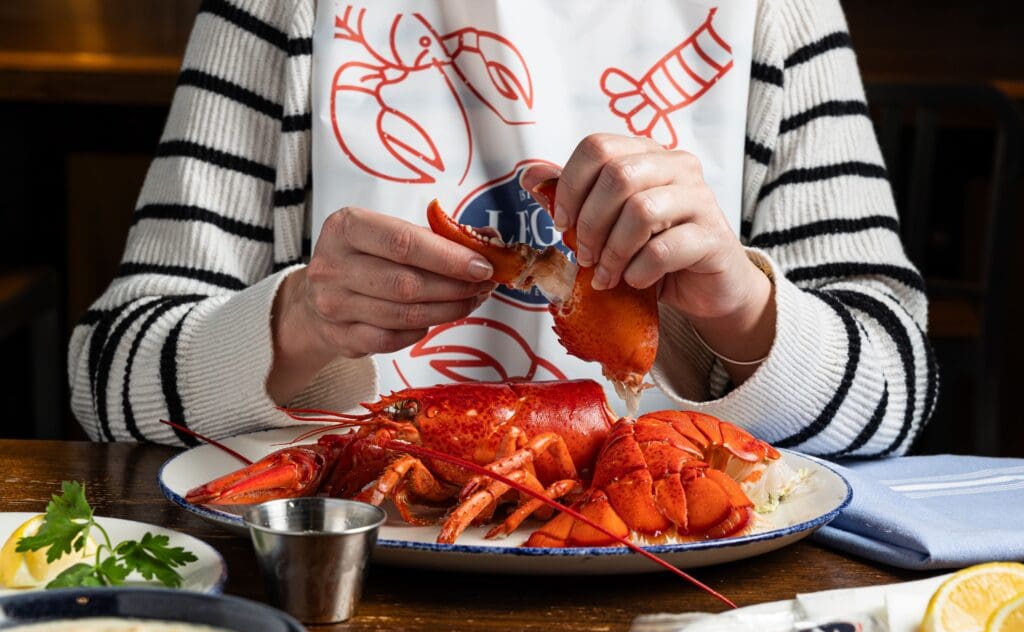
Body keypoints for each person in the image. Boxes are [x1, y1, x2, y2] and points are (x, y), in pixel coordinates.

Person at [70, 0, 936, 458]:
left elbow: (897, 386)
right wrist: (298, 324)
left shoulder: (778, 11)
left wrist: (738, 307)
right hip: (347, 594)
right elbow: (107, 374)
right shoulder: (278, 7)